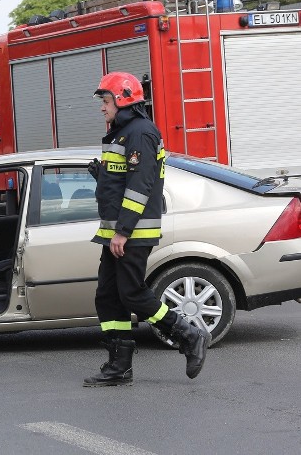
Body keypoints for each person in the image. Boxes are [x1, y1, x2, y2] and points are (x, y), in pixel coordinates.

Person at [83, 72, 210, 387]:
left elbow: (141, 186)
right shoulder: (125, 133)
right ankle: (119, 364)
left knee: (132, 293)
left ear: (123, 100)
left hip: (132, 232)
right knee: (108, 296)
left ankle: (189, 334)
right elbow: (125, 180)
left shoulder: (140, 133)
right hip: (116, 230)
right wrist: (104, 178)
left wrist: (123, 231)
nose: (102, 108)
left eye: (106, 101)